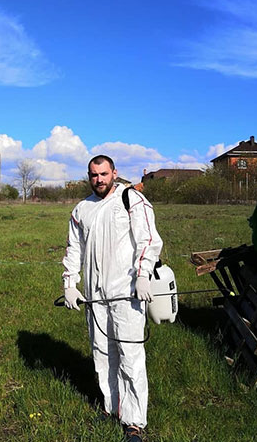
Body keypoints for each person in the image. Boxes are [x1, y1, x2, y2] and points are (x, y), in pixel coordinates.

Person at [62, 155, 163, 442]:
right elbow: (73, 250)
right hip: (95, 296)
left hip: (127, 293)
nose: (99, 180)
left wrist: (142, 275)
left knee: (130, 356)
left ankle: (134, 422)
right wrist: (70, 284)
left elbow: (148, 241)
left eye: (104, 174)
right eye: (94, 175)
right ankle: (111, 407)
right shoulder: (82, 209)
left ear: (114, 173)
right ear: (88, 176)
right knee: (102, 353)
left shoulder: (131, 199)